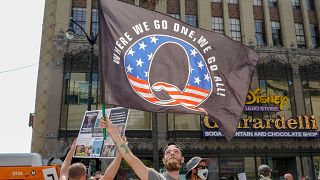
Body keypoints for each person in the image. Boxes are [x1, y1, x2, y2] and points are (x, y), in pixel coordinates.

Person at [100, 117, 184, 180]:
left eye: (176, 151)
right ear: (163, 160)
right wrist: (112, 132)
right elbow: (131, 159)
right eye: (168, 152)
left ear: (183, 159)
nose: (172, 153)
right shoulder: (156, 177)